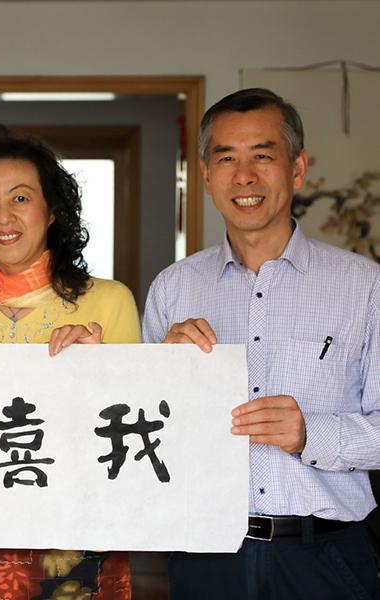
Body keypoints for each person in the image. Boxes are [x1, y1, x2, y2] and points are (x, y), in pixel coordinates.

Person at [142, 88, 380, 599]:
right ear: (205, 175)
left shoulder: (365, 287)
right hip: (206, 555)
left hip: (326, 557)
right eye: (227, 158)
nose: (244, 176)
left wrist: (309, 434)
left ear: (297, 169)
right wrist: (162, 379)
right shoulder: (172, 289)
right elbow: (151, 439)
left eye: (263, 156)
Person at [0, 125, 139, 600]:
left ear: (53, 211)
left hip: (79, 548)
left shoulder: (109, 303)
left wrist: (103, 371)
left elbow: (132, 441)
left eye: (20, 198)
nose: (3, 216)